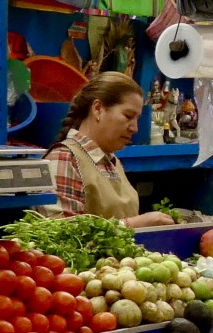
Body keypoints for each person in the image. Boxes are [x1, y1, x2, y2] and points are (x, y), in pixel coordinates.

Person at [43, 72, 165, 227]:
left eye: (137, 119)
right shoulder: (65, 158)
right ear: (98, 109)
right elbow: (60, 234)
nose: (135, 128)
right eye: (128, 116)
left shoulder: (113, 162)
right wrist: (132, 224)